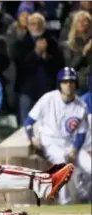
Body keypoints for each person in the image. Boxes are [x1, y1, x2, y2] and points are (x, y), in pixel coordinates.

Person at [24, 67, 90, 205]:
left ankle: (85, 198)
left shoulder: (81, 105)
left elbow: (82, 133)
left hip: (71, 144)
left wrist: (75, 149)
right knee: (62, 163)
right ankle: (64, 202)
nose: (68, 85)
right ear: (59, 84)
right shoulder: (48, 98)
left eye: (71, 81)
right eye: (64, 81)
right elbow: (28, 122)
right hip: (51, 142)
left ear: (76, 84)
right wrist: (32, 137)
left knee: (89, 166)